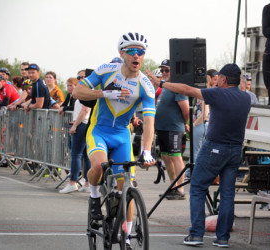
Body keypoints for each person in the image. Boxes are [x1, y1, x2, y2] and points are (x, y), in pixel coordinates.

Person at [148, 63, 250, 247]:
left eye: (219, 77)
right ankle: (223, 238)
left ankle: (196, 234)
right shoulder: (246, 98)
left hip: (215, 147)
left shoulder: (218, 94)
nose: (216, 79)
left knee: (197, 187)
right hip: (235, 149)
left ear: (224, 79)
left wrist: (161, 83)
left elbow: (187, 89)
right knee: (227, 194)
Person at [72, 32, 155, 246]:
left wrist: (146, 151)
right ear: (122, 53)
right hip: (98, 131)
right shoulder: (106, 71)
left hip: (121, 136)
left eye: (141, 52)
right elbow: (77, 92)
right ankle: (94, 195)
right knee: (99, 166)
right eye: (132, 51)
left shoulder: (146, 86)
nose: (137, 55)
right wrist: (105, 93)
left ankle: (125, 235)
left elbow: (149, 124)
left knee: (126, 184)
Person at [154, 59, 189, 200]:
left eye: (166, 70)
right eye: (162, 70)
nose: (163, 73)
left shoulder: (177, 88)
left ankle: (180, 189)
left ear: (173, 71)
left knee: (176, 157)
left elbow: (185, 109)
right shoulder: (165, 88)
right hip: (162, 128)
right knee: (165, 157)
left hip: (174, 129)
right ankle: (173, 186)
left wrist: (182, 123)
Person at [60, 78, 92, 194]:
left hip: (82, 125)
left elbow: (85, 110)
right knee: (85, 156)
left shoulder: (85, 94)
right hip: (84, 124)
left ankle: (72, 182)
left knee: (76, 155)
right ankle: (87, 184)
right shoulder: (87, 93)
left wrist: (75, 125)